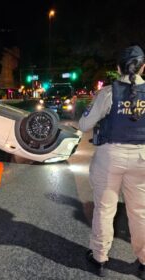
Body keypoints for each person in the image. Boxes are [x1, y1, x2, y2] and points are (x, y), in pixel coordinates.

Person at [79, 45, 145, 279]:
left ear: (118, 68)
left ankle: (99, 257)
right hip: (142, 159)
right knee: (140, 211)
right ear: (143, 67)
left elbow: (84, 125)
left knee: (106, 209)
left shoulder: (108, 93)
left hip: (110, 158)